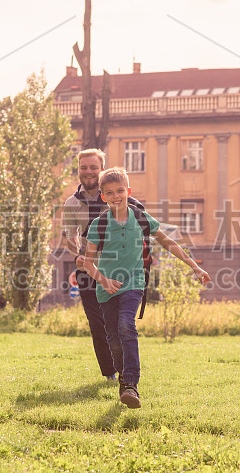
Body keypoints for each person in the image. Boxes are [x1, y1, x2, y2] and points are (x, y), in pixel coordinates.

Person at [83, 167, 210, 409]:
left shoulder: (141, 218)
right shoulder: (98, 225)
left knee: (125, 326)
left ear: (128, 192)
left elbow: (168, 242)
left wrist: (194, 266)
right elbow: (87, 262)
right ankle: (123, 378)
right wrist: (104, 281)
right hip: (106, 288)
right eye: (109, 193)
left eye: (120, 191)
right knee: (113, 339)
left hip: (134, 282)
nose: (116, 196)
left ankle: (131, 384)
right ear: (103, 196)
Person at [62, 148, 146, 383]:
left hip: (120, 269)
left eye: (93, 167)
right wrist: (75, 256)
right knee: (97, 324)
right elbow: (70, 235)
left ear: (102, 169)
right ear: (78, 170)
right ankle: (110, 373)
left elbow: (141, 226)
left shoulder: (114, 196)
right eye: (83, 167)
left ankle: (127, 373)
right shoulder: (71, 203)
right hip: (89, 271)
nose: (88, 171)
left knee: (122, 323)